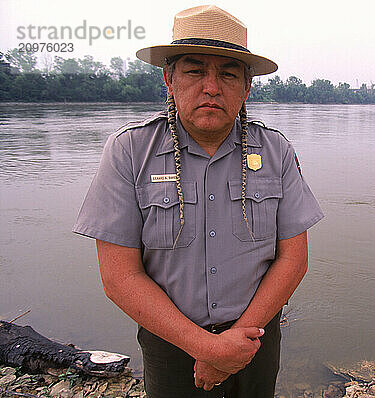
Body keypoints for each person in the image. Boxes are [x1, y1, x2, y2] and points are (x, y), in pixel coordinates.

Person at [73, 5, 323, 397]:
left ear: (247, 87)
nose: (211, 86)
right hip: (169, 342)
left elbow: (294, 258)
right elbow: (120, 277)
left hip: (256, 338)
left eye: (227, 73)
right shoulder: (129, 151)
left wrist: (236, 341)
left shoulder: (276, 151)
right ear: (169, 79)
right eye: (194, 71)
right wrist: (206, 348)